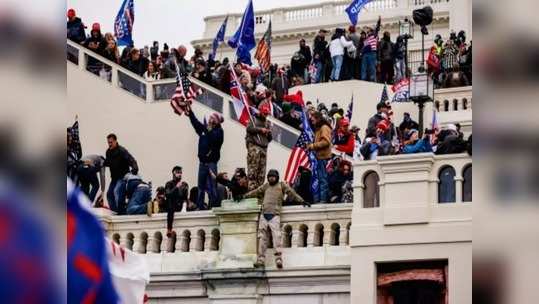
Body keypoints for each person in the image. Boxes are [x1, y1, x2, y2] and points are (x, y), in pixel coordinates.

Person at [240, 170, 309, 269]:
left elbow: (291, 193)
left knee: (277, 238)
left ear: (277, 177)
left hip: (275, 215)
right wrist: (243, 196)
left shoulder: (282, 185)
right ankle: (260, 260)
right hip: (264, 215)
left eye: (273, 176)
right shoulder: (266, 186)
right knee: (262, 238)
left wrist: (302, 201)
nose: (271, 178)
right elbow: (255, 192)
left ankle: (278, 259)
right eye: (270, 176)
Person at [188, 110, 224, 210]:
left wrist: (207, 128)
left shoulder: (219, 131)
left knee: (213, 187)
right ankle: (200, 207)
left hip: (212, 163)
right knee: (201, 187)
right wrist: (190, 113)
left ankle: (213, 206)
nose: (210, 119)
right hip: (202, 163)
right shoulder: (205, 129)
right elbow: (196, 124)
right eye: (210, 117)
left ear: (217, 121)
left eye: (212, 118)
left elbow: (214, 139)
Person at [104, 134, 138, 215]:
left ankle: (121, 212)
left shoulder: (122, 151)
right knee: (109, 195)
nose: (109, 144)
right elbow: (108, 162)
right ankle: (115, 212)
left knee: (116, 191)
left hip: (122, 177)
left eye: (111, 142)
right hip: (114, 178)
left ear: (115, 141)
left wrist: (135, 168)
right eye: (108, 142)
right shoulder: (108, 152)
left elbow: (131, 159)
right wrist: (102, 163)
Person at [306, 111, 333, 203]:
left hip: (323, 158)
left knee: (322, 180)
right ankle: (318, 199)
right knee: (319, 179)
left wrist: (313, 146)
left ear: (318, 118)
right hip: (319, 158)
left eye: (313, 119)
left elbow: (326, 142)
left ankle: (323, 200)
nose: (311, 121)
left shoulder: (324, 128)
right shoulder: (319, 129)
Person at [245, 103, 273, 190]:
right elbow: (249, 129)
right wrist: (260, 130)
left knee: (261, 173)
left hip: (264, 147)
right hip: (254, 146)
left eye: (267, 114)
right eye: (264, 113)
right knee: (253, 171)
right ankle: (251, 190)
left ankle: (259, 191)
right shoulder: (253, 119)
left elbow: (270, 138)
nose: (265, 115)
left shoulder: (267, 123)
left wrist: (268, 133)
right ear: (260, 111)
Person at [164, 166, 189, 235]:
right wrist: (176, 187)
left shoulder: (184, 184)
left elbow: (185, 197)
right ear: (173, 173)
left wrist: (184, 206)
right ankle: (169, 229)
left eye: (181, 173)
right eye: (178, 172)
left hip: (180, 205)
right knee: (170, 203)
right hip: (171, 206)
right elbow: (168, 194)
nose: (180, 174)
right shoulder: (169, 184)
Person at [361, 16, 381, 82]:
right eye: (367, 31)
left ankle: (373, 79)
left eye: (368, 31)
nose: (367, 32)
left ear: (371, 31)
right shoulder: (366, 38)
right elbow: (364, 46)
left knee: (372, 67)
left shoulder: (374, 35)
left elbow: (377, 28)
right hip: (365, 54)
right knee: (364, 68)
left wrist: (379, 21)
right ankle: (363, 79)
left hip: (371, 53)